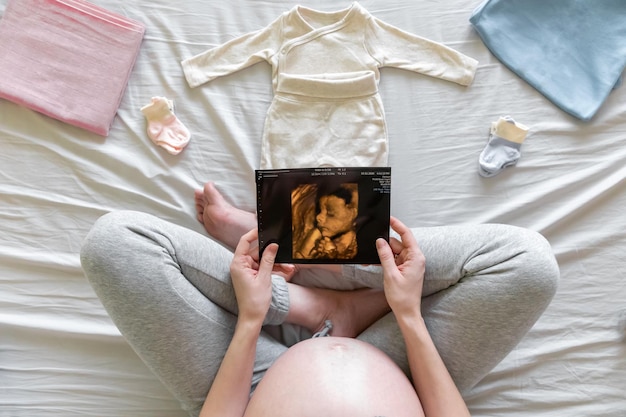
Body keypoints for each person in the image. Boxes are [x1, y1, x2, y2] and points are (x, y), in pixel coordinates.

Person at [80, 181, 559, 416]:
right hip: (407, 373)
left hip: (248, 388)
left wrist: (253, 316)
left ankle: (295, 280)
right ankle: (326, 270)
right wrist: (407, 312)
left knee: (117, 244)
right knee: (526, 264)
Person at [293, 183, 359, 260]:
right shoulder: (316, 235)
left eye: (330, 214)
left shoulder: (357, 242)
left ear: (353, 214)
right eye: (319, 211)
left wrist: (332, 254)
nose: (318, 217)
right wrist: (309, 245)